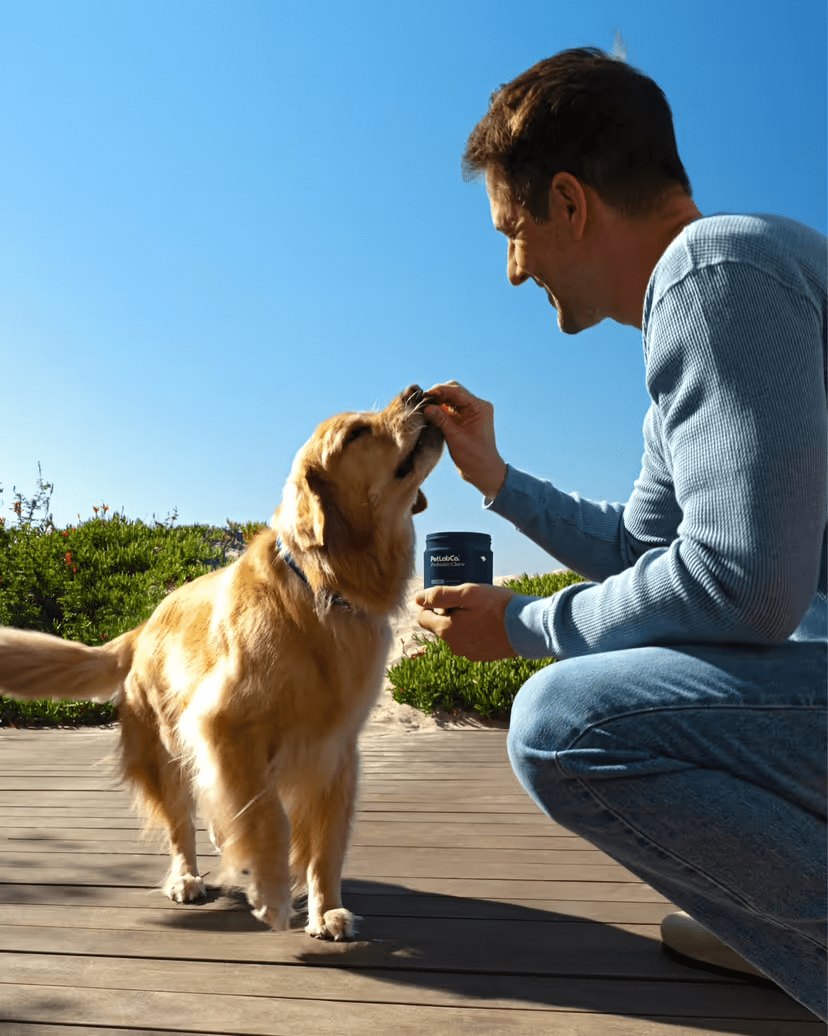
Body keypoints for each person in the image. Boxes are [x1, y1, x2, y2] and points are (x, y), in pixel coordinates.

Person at [415, 48, 827, 1019]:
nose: (514, 270)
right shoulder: (703, 303)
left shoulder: (710, 270)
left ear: (569, 203)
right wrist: (498, 478)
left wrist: (521, 627)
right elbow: (645, 555)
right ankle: (777, 924)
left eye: (511, 232)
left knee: (564, 723)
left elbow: (744, 584)